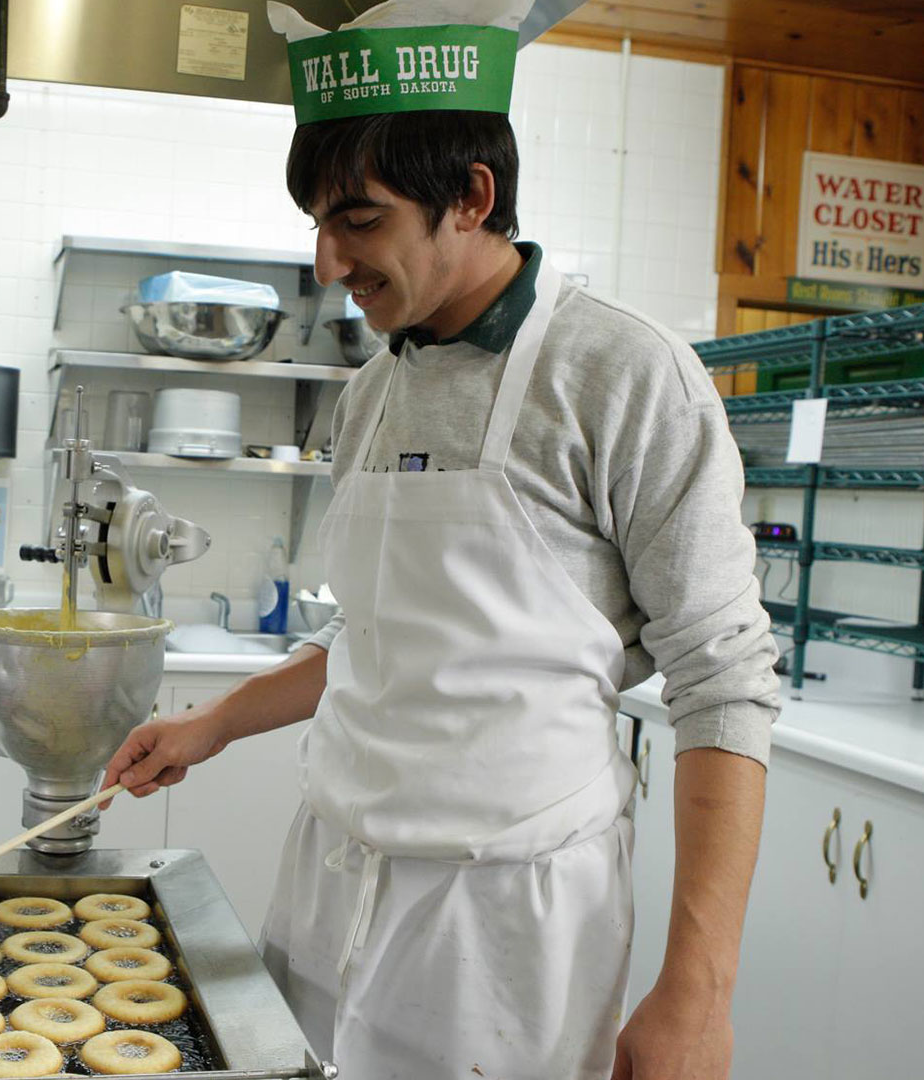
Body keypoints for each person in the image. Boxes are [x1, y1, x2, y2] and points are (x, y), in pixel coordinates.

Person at [102, 4, 780, 1077]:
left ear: (471, 197)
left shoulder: (623, 376)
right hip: (330, 885)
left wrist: (698, 990)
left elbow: (724, 680)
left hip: (507, 925)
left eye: (359, 221)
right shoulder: (373, 392)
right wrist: (217, 722)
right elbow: (377, 640)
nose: (328, 263)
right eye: (319, 223)